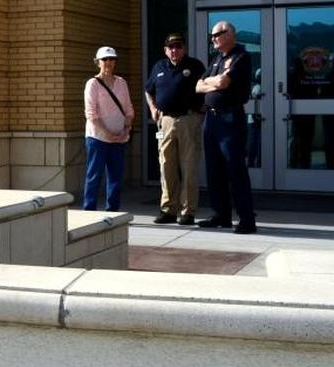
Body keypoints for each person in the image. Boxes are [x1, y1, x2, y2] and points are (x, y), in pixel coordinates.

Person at [196, 20, 256, 233]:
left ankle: (247, 219)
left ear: (230, 33)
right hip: (211, 121)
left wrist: (213, 82)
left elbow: (223, 83)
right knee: (214, 169)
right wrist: (215, 80)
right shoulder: (218, 59)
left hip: (230, 119)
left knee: (235, 169)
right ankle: (221, 214)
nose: (213, 38)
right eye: (211, 35)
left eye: (217, 34)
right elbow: (198, 85)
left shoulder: (241, 57)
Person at [143, 33, 205, 225]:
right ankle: (168, 209)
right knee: (166, 166)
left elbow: (206, 88)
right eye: (171, 47)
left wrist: (200, 114)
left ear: (184, 48)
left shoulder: (195, 66)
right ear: (165, 50)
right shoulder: (159, 67)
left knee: (189, 167)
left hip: (188, 119)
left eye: (178, 46)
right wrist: (153, 109)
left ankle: (187, 212)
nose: (174, 50)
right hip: (166, 120)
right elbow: (148, 89)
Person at [83, 46, 133, 211]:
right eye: (105, 59)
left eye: (112, 59)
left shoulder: (121, 83)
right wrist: (107, 133)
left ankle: (112, 211)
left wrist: (126, 129)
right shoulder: (93, 84)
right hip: (97, 138)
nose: (109, 63)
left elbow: (129, 110)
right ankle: (89, 211)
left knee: (115, 178)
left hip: (119, 138)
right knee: (94, 176)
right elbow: (91, 113)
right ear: (97, 62)